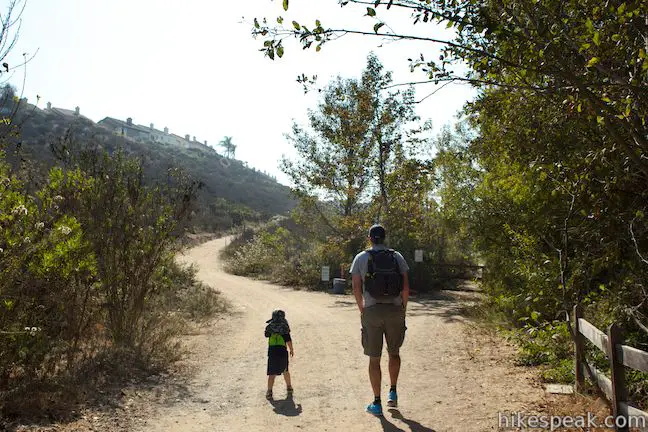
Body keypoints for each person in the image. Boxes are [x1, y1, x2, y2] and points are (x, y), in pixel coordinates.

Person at [350, 224, 410, 416]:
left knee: (374, 359)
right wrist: (403, 309)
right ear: (384, 237)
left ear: (369, 238)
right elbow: (406, 288)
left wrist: (362, 309)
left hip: (372, 312)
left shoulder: (361, 257)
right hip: (395, 310)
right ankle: (392, 391)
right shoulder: (397, 256)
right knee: (394, 353)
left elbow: (356, 288)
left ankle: (377, 403)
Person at [264, 309, 294, 400]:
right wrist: (291, 349)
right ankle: (289, 387)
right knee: (285, 371)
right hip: (282, 351)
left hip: (272, 352)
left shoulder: (269, 327)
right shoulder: (284, 327)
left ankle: (269, 392)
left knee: (272, 374)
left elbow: (266, 335)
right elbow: (288, 340)